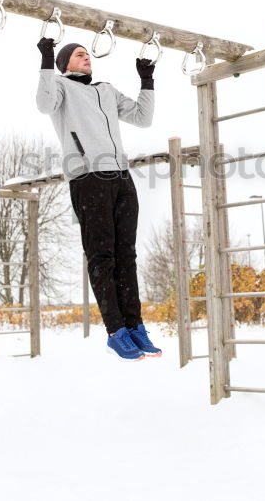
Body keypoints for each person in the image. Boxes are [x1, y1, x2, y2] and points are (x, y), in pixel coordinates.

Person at [35, 35, 162, 361]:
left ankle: (135, 327)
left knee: (126, 256)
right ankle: (116, 330)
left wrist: (146, 81)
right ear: (65, 64)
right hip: (88, 178)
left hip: (120, 177)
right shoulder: (61, 87)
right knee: (102, 256)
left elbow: (141, 118)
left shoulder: (105, 90)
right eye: (79, 54)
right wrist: (47, 60)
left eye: (88, 53)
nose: (86, 57)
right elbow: (44, 103)